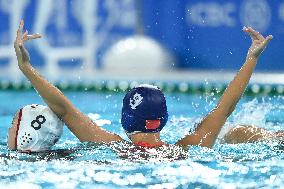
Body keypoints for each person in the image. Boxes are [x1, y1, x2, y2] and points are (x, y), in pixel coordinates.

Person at [13, 20, 273, 149]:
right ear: (164, 119)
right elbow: (225, 107)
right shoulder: (187, 148)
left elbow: (64, 109)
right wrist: (251, 59)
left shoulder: (114, 149)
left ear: (126, 118)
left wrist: (26, 67)